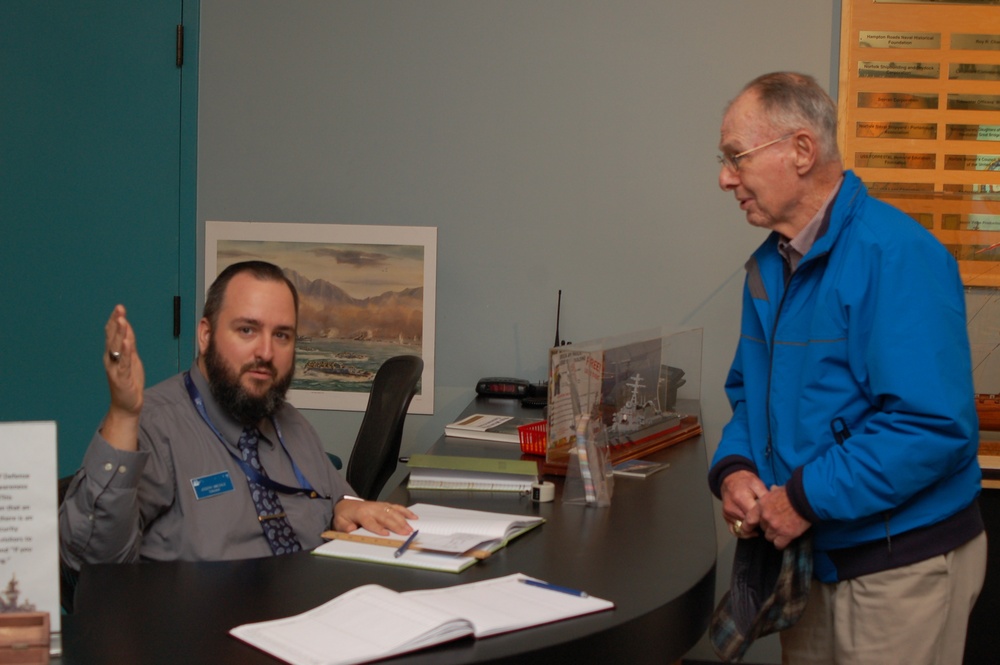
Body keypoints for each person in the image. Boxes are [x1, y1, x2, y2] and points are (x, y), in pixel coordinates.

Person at [707, 72, 986, 664]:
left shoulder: (899, 255)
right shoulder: (768, 268)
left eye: (737, 157)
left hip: (896, 568)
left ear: (801, 151)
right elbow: (749, 399)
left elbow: (931, 426)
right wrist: (735, 470)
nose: (725, 178)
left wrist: (802, 498)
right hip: (813, 558)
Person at [60, 260, 415, 569]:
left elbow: (335, 496)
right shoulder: (155, 426)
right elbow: (92, 563)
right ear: (205, 335)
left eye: (282, 335)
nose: (265, 351)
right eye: (247, 330)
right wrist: (123, 415)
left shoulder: (290, 422)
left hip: (310, 618)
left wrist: (346, 506)